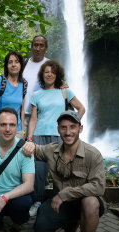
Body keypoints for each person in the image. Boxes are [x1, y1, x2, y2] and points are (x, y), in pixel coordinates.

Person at [29, 110, 105, 232]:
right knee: (41, 229)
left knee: (91, 203)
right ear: (58, 130)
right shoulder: (51, 150)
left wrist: (66, 194)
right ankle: (70, 229)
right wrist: (26, 143)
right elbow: (34, 149)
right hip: (61, 204)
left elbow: (98, 186)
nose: (68, 132)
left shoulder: (93, 154)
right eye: (63, 127)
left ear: (80, 128)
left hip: (83, 202)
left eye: (72, 127)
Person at [27, 60, 85, 217]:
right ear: (42, 75)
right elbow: (33, 119)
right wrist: (29, 138)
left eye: (52, 72)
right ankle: (37, 201)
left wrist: (71, 127)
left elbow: (81, 108)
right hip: (39, 135)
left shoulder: (65, 92)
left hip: (59, 136)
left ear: (57, 74)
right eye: (46, 72)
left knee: (60, 171)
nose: (49, 74)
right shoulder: (36, 95)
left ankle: (58, 200)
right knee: (38, 171)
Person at [0, 51, 27, 140]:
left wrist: (23, 130)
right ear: (6, 65)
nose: (13, 65)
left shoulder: (23, 84)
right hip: (0, 129)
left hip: (17, 131)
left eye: (17, 62)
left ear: (21, 65)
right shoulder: (0, 81)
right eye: (10, 62)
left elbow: (22, 109)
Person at [22, 35, 50, 131]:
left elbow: (58, 84)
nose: (38, 48)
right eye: (35, 45)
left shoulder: (50, 66)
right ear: (31, 46)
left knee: (38, 145)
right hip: (23, 114)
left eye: (41, 45)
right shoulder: (23, 64)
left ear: (46, 48)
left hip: (41, 115)